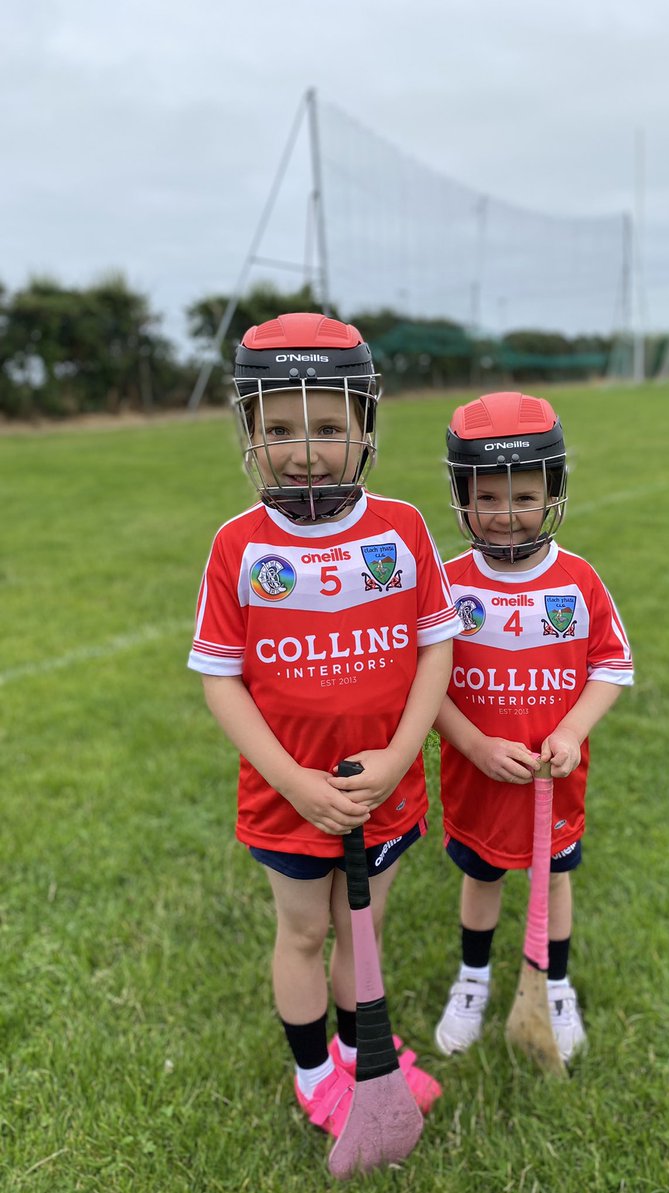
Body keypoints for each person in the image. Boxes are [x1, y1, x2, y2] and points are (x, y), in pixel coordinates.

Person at [188, 313, 460, 1136]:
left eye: (328, 426)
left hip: (389, 787)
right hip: (289, 799)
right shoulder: (239, 544)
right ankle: (317, 1075)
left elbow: (434, 654)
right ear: (247, 431)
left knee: (363, 926)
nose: (303, 449)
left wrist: (397, 758)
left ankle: (361, 1051)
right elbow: (222, 682)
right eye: (277, 427)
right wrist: (295, 782)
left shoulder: (403, 528)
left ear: (365, 426)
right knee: (306, 931)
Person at [433, 390, 633, 1064]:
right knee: (482, 875)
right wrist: (474, 743)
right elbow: (421, 688)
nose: (505, 516)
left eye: (523, 496)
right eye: (486, 498)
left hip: (555, 781)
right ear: (462, 495)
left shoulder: (578, 581)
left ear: (553, 492)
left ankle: (554, 984)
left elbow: (610, 664)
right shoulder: (448, 583)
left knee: (555, 878)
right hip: (478, 778)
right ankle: (473, 979)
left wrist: (573, 732)